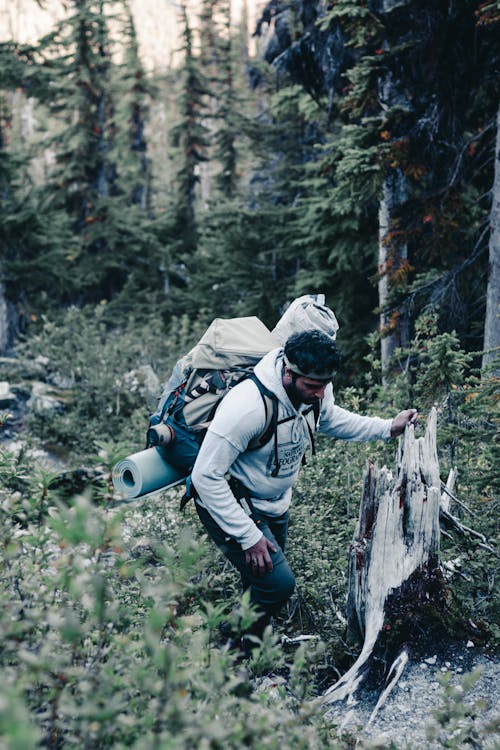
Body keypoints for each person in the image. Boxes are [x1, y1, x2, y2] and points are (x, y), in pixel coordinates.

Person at [191, 328, 417, 651]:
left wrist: (387, 428)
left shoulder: (312, 392)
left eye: (324, 386)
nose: (320, 395)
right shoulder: (247, 407)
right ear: (287, 372)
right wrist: (249, 535)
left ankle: (254, 653)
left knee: (258, 580)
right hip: (230, 500)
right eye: (313, 387)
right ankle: (228, 646)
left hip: (273, 505)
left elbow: (332, 419)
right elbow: (205, 476)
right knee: (277, 584)